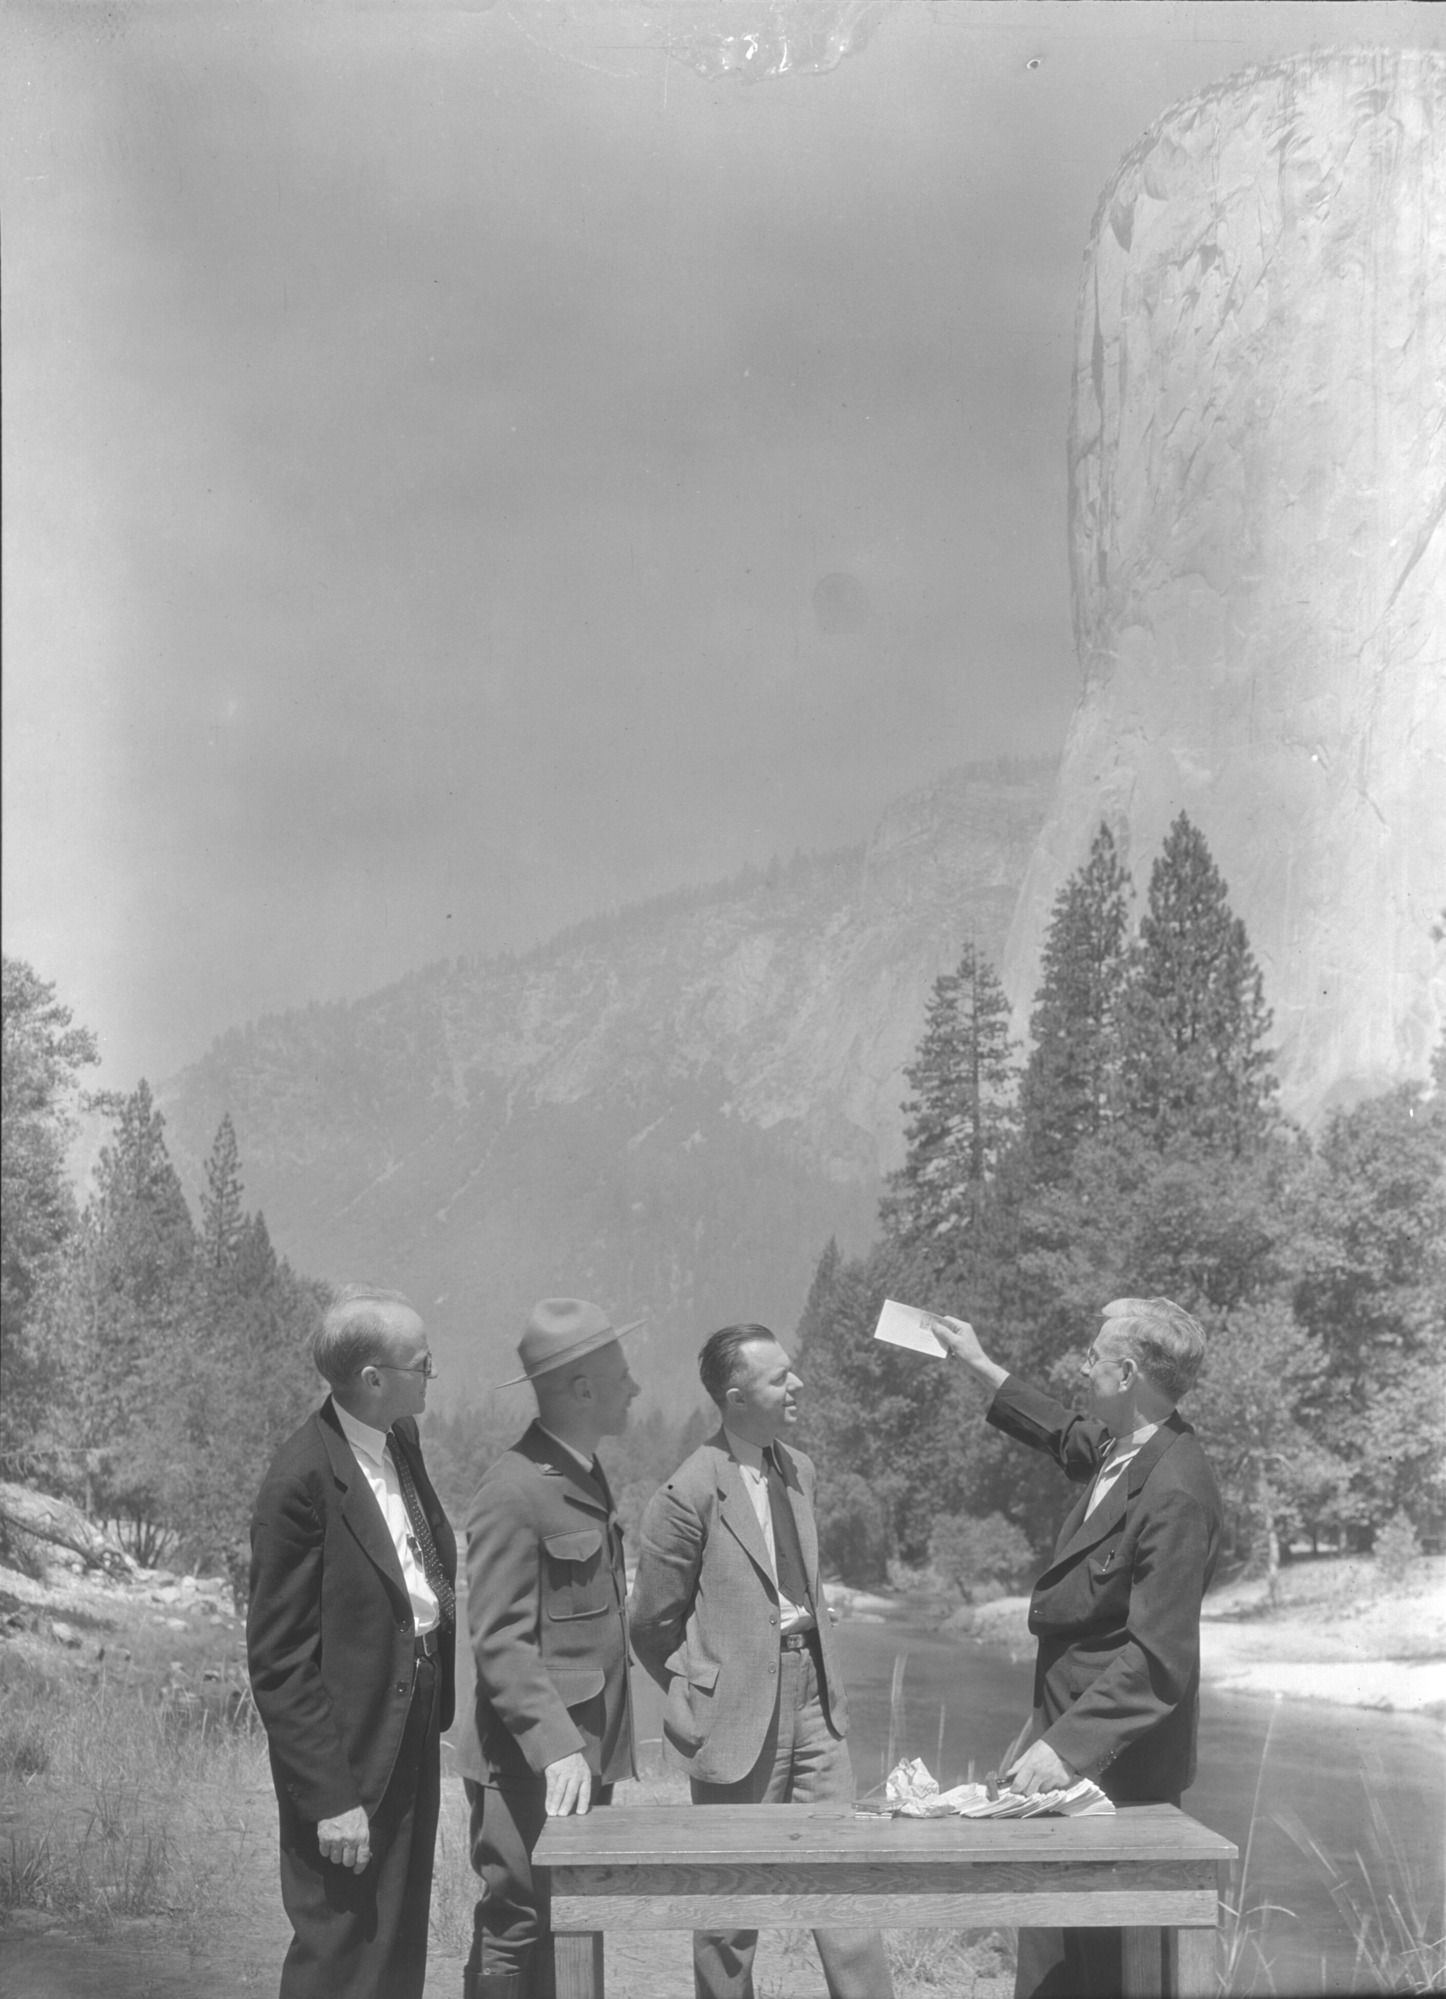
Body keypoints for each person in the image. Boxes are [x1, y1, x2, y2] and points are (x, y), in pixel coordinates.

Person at [933, 1296, 1223, 1999]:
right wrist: (976, 1362)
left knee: (1110, 1972)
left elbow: (1158, 1659)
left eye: (1093, 1356)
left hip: (1120, 1777)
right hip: (1068, 1751)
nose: (1081, 1365)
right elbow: (1059, 1429)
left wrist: (1065, 1747)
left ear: (1126, 1373)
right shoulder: (1125, 1450)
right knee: (1054, 1960)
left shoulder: (1177, 1488)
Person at [630, 1324, 895, 1999]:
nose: (797, 1385)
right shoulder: (687, 1492)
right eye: (781, 1379)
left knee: (846, 1891)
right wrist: (703, 1689)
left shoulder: (799, 1469)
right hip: (738, 1717)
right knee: (727, 1910)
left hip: (817, 1702)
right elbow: (651, 1623)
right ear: (736, 1397)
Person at [248, 1285, 457, 1999]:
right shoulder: (301, 1478)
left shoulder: (400, 1439)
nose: (432, 1371)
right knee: (339, 1944)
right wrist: (330, 1797)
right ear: (373, 1378)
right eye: (422, 1362)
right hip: (350, 1744)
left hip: (412, 1720)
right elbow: (279, 1662)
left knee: (397, 1938)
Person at [455, 1298, 643, 1999]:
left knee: (575, 1913)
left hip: (577, 1756)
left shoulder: (579, 1474)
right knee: (518, 1920)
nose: (636, 1387)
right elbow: (499, 1639)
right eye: (622, 1374)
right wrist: (556, 1742)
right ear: (583, 1388)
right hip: (529, 1760)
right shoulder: (513, 1488)